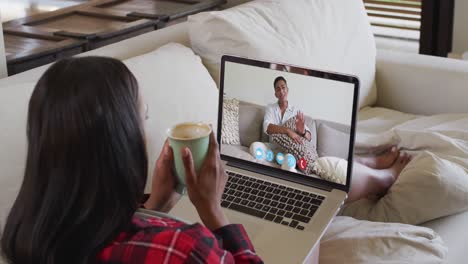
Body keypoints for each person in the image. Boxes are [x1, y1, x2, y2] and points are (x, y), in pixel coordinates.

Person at [0, 57, 263, 264]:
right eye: (143, 118)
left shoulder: (24, 237)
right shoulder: (184, 250)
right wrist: (212, 210)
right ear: (121, 141)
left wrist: (154, 206)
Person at [263, 76, 411, 203]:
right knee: (327, 165)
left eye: (283, 87)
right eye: (278, 89)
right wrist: (289, 131)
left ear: (287, 90)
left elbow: (308, 137)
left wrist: (301, 131)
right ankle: (384, 177)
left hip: (298, 152)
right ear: (275, 93)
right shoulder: (271, 108)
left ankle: (371, 163)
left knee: (331, 163)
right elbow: (268, 127)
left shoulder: (295, 111)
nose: (281, 91)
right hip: (280, 150)